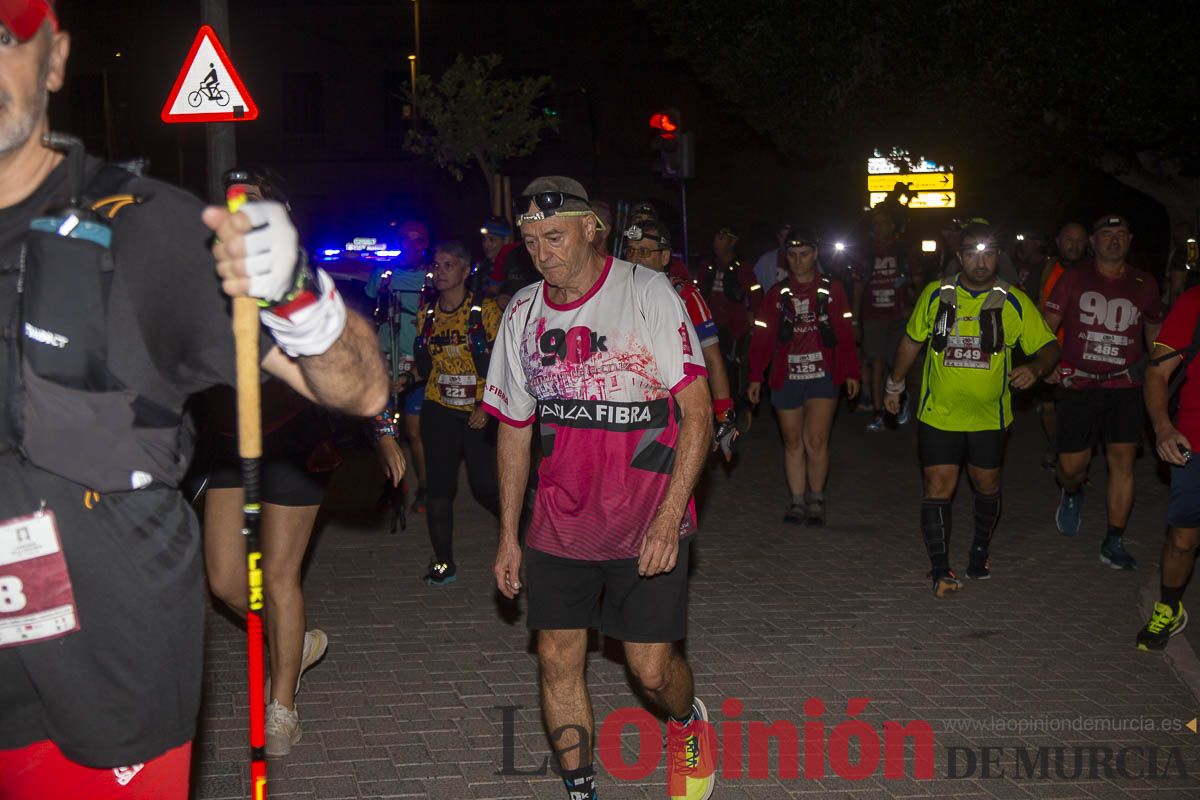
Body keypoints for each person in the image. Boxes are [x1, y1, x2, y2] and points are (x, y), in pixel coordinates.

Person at [0, 5, 387, 796]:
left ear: (55, 58)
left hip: (90, 702)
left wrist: (304, 299)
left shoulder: (146, 231)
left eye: (3, 37)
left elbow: (358, 385)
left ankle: (282, 691)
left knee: (262, 577)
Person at [484, 177, 715, 800]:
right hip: (560, 523)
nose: (543, 253)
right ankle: (580, 787)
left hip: (645, 519)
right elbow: (512, 428)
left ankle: (687, 721)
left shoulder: (647, 291)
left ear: (593, 228)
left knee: (651, 669)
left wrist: (670, 521)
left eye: (555, 237)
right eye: (531, 241)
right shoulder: (523, 313)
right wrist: (508, 535)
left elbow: (698, 412)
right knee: (558, 658)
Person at [196, 169, 349, 758]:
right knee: (226, 581)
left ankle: (281, 705)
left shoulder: (301, 276)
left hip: (296, 441)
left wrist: (381, 431)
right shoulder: (212, 280)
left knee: (281, 578)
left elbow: (341, 361)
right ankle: (297, 641)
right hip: (230, 443)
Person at [883, 224, 1058, 595]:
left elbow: (1049, 347)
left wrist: (1036, 369)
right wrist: (894, 384)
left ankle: (980, 549)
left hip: (988, 418)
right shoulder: (936, 295)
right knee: (937, 486)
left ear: (999, 257)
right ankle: (940, 568)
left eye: (989, 253)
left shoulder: (1013, 301)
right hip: (939, 414)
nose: (981, 261)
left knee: (986, 485)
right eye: (973, 254)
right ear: (960, 257)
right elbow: (911, 342)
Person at [1043, 215, 1164, 569]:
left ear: (1130, 241)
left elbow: (1155, 332)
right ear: (1093, 242)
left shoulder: (1145, 282)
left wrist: (1159, 372)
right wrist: (1045, 363)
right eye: (1106, 234)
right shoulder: (1074, 278)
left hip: (1124, 385)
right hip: (1079, 384)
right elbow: (1047, 326)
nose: (1114, 240)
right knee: (1071, 467)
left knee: (1123, 461)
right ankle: (1072, 491)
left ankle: (1114, 539)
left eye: (1121, 234)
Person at [748, 231, 861, 525]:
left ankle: (816, 498)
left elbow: (845, 334)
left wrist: (851, 372)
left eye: (805, 254)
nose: (799, 262)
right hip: (787, 376)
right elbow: (763, 336)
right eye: (793, 256)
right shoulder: (776, 293)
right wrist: (755, 376)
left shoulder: (833, 290)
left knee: (817, 438)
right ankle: (796, 501)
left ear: (816, 254)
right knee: (792, 440)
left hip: (823, 375)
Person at [413, 240, 501, 585]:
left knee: (484, 487)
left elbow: (501, 364)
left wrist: (487, 405)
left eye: (449, 265)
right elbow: (425, 366)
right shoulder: (428, 313)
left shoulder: (486, 310)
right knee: (439, 491)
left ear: (466, 271)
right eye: (436, 265)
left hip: (478, 413)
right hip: (439, 408)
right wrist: (403, 378)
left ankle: (524, 528)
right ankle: (443, 563)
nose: (440, 272)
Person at [624, 219, 739, 459]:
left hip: (674, 412)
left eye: (644, 252)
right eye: (631, 251)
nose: (635, 258)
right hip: (626, 413)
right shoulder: (616, 294)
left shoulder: (685, 296)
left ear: (665, 257)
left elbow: (713, 359)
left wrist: (724, 417)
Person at [1136, 284, 1200, 650]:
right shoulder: (1194, 303)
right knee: (1183, 539)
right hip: (1195, 442)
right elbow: (1157, 374)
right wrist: (1163, 428)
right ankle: (1170, 606)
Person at [367, 219, 430, 514]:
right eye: (407, 239)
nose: (412, 245)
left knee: (415, 431)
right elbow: (368, 300)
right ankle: (388, 486)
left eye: (418, 240)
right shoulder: (384, 273)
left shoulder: (431, 276)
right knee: (385, 429)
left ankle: (425, 488)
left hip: (415, 361)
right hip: (386, 356)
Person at [853, 208, 915, 430]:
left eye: (884, 223)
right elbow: (859, 286)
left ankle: (900, 400)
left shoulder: (902, 250)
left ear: (891, 225)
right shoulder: (865, 253)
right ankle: (879, 412)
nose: (880, 228)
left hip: (898, 316)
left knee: (897, 362)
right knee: (876, 363)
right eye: (875, 224)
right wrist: (855, 320)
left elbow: (914, 280)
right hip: (873, 317)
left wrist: (912, 307)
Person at [1035, 221, 1090, 469]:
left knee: (1075, 408)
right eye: (1069, 239)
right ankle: (1055, 444)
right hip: (1051, 348)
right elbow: (1039, 303)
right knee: (1048, 406)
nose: (1074, 245)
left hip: (1082, 352)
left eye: (1079, 240)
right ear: (1058, 241)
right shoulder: (1047, 268)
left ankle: (1073, 454)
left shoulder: (1094, 272)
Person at [699, 224, 760, 424]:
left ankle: (734, 412)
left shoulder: (742, 268)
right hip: (708, 326)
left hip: (732, 328)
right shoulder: (708, 266)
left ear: (732, 242)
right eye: (716, 237)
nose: (718, 242)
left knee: (730, 371)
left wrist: (753, 318)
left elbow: (755, 295)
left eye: (723, 238)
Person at [471, 215, 511, 296]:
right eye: (484, 239)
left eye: (492, 240)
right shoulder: (481, 267)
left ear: (506, 240)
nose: (486, 244)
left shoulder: (515, 269)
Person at [752, 221, 792, 293]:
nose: (786, 240)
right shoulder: (765, 261)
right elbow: (752, 286)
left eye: (788, 236)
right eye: (782, 236)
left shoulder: (806, 260)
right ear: (778, 237)